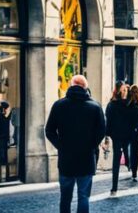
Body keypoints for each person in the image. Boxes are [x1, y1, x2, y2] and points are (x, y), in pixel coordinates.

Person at [45, 75, 106, 213]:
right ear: (86, 87)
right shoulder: (95, 107)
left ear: (71, 85)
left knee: (65, 198)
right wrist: (92, 145)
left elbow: (49, 131)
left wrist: (61, 146)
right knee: (83, 196)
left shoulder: (59, 105)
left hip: (66, 159)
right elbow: (102, 131)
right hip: (86, 158)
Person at [104, 82, 132, 195]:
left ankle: (114, 188)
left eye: (125, 90)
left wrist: (108, 134)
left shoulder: (113, 104)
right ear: (120, 91)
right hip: (121, 135)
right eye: (123, 90)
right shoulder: (123, 104)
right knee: (121, 156)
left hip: (119, 135)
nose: (125, 92)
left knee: (118, 159)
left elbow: (108, 121)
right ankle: (114, 187)